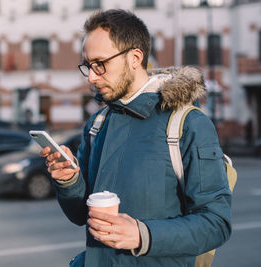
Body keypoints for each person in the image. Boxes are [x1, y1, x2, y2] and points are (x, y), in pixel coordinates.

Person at [40, 9, 231, 267]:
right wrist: (69, 181)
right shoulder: (97, 125)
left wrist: (142, 235)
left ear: (135, 57)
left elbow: (216, 223)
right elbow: (81, 215)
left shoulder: (187, 124)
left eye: (100, 64)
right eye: (88, 66)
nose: (93, 77)